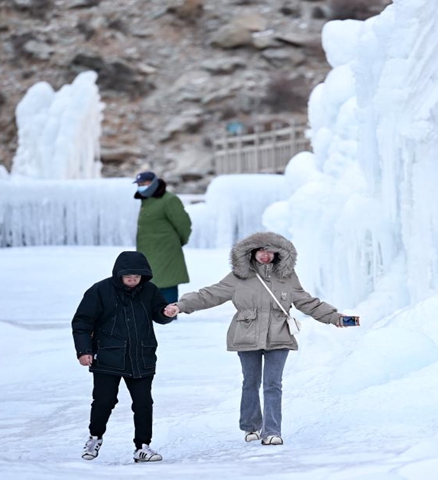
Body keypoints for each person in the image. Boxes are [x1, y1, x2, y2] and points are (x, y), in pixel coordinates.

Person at [163, 231, 353, 446]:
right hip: (246, 334)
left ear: (278, 254)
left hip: (279, 335)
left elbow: (307, 302)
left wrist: (335, 317)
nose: (266, 255)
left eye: (271, 251)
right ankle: (251, 426)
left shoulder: (287, 277)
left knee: (273, 384)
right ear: (252, 252)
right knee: (250, 382)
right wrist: (180, 306)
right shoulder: (238, 276)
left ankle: (272, 431)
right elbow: (210, 294)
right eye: (262, 251)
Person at [71, 251, 176, 463]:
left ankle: (142, 447)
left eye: (137, 276)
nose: (132, 279)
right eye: (128, 275)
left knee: (143, 403)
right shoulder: (100, 291)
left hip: (142, 357)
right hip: (108, 357)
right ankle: (95, 438)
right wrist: (84, 351)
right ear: (118, 274)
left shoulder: (150, 290)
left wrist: (166, 313)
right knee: (104, 401)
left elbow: (159, 313)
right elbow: (82, 322)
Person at [133, 171, 192, 303]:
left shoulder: (169, 200)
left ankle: (169, 318)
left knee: (167, 283)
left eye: (145, 183)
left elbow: (184, 224)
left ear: (154, 183)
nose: (141, 186)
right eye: (139, 184)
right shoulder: (146, 201)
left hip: (166, 251)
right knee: (150, 284)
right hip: (148, 252)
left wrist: (178, 242)